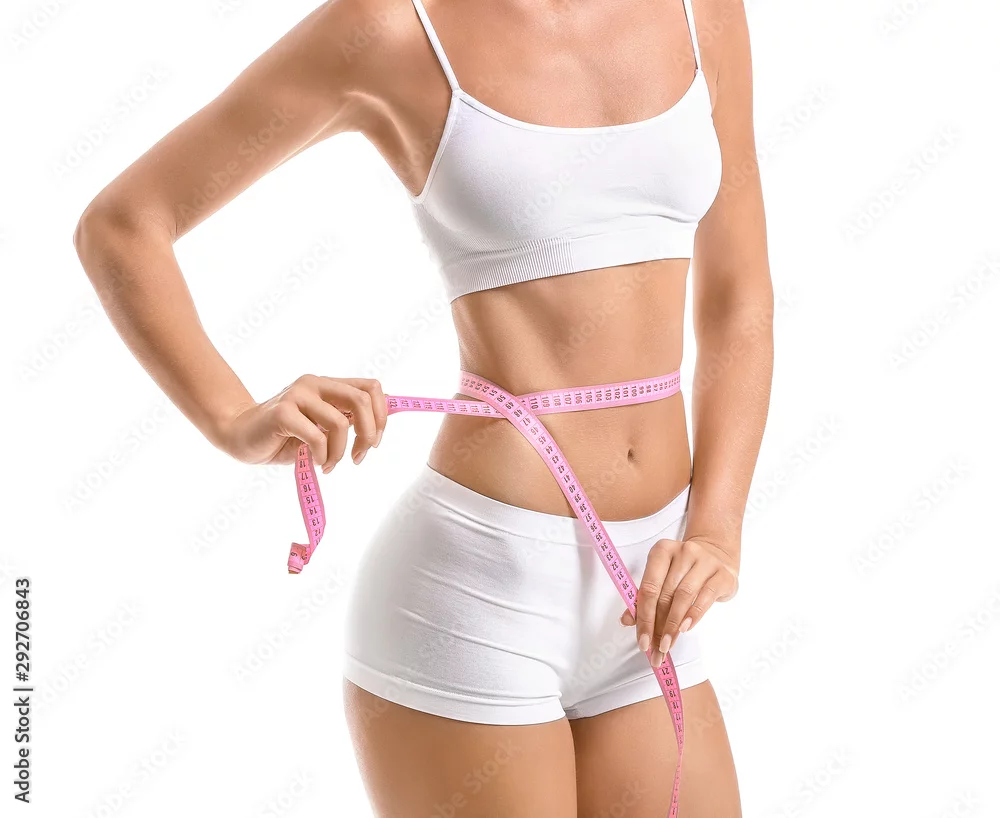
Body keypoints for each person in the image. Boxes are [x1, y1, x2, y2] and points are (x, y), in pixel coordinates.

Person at [73, 0, 773, 814]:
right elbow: (123, 225)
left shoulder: (703, 14)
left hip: (650, 595)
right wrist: (233, 420)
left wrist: (717, 529)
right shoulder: (391, 28)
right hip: (478, 596)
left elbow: (739, 300)